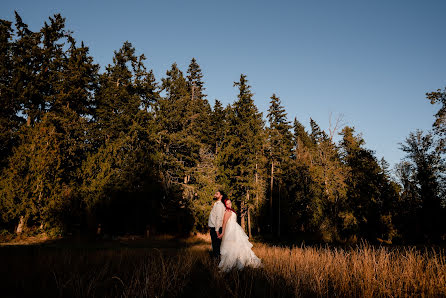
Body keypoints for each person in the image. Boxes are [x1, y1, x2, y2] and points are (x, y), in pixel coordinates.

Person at [217, 198, 262, 272]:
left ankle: (241, 262)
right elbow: (224, 223)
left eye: (229, 203)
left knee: (239, 246)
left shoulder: (231, 211)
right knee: (232, 248)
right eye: (227, 204)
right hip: (231, 231)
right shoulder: (227, 212)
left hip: (235, 229)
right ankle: (232, 264)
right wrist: (222, 233)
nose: (229, 204)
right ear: (225, 205)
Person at [208, 190, 226, 259]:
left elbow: (219, 218)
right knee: (215, 246)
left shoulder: (219, 205)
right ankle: (216, 261)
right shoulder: (217, 204)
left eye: (217, 194)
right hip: (214, 228)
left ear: (221, 196)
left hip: (216, 229)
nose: (215, 195)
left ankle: (217, 263)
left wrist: (217, 230)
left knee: (216, 247)